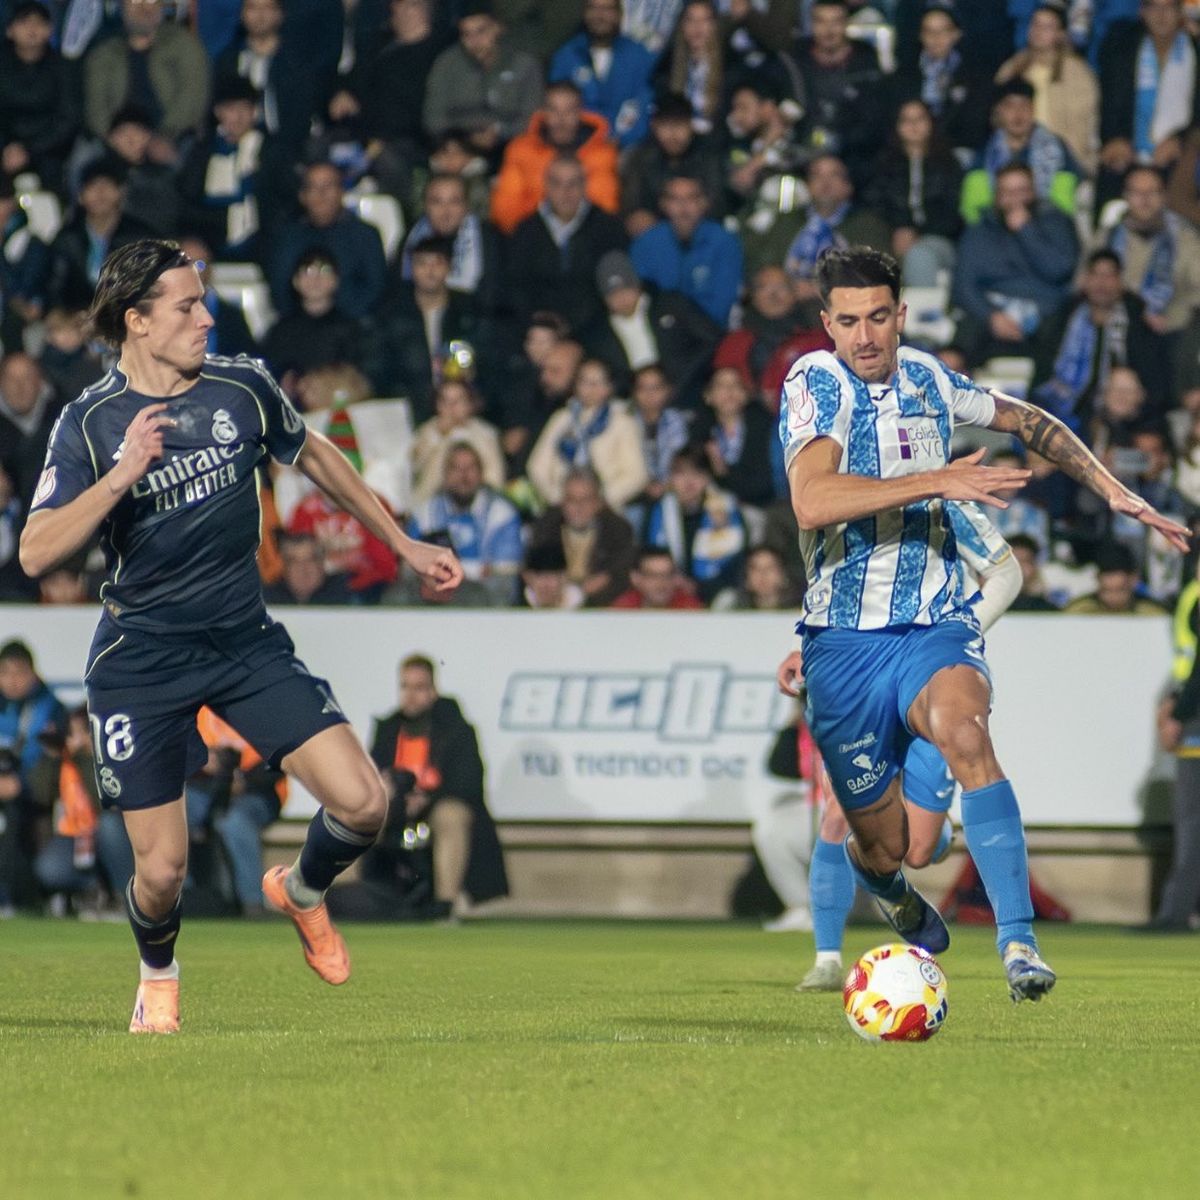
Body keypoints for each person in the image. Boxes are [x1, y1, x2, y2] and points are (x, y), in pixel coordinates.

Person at [18, 238, 463, 1033]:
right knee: (162, 876)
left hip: (243, 643)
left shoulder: (241, 386)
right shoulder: (88, 423)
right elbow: (34, 550)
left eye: (203, 300)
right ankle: (159, 971)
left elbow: (317, 456)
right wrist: (121, 476)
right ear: (138, 321)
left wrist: (403, 544)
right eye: (187, 306)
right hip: (142, 659)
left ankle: (300, 890)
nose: (206, 316)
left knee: (365, 803)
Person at [779, 245, 1187, 1000]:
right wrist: (937, 478)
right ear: (826, 324)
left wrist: (1114, 490)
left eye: (878, 317)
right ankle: (890, 893)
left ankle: (1019, 946)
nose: (865, 336)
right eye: (848, 321)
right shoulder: (816, 382)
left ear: (900, 314)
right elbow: (812, 500)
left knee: (968, 733)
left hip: (933, 623)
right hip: (842, 646)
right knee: (885, 845)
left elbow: (1027, 419)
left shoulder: (928, 377)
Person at [775, 499, 1024, 990]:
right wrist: (809, 650)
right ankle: (827, 957)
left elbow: (1005, 572)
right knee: (835, 811)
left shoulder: (942, 492)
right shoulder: (833, 494)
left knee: (914, 851)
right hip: (861, 679)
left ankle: (937, 842)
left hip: (925, 675)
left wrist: (960, 628)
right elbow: (834, 592)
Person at [0, 637, 66, 914]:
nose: (12, 680)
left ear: (32, 673)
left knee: (13, 815)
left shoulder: (51, 709)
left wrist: (18, 782)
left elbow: (48, 767)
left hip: (32, 796)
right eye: (5, 673)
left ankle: (11, 899)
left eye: (19, 672)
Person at [550, 0, 655, 150]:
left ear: (619, 14)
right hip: (575, 149)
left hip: (626, 150)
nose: (600, 15)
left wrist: (621, 141)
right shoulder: (567, 56)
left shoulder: (639, 56)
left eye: (607, 9)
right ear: (584, 13)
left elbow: (643, 106)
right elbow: (556, 108)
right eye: (594, 8)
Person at [526, 465, 637, 608]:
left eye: (585, 500)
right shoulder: (545, 526)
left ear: (598, 502)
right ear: (563, 502)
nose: (578, 507)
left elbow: (618, 574)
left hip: (601, 608)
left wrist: (585, 589)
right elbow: (531, 570)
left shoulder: (618, 530)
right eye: (571, 499)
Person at [261, 530, 355, 605]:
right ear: (285, 567)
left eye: (310, 560)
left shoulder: (347, 597)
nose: (303, 569)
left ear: (321, 563)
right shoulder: (267, 602)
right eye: (294, 561)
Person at [610, 544, 704, 609]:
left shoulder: (690, 610)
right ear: (635, 578)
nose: (661, 583)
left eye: (668, 575)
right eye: (653, 576)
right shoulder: (623, 610)